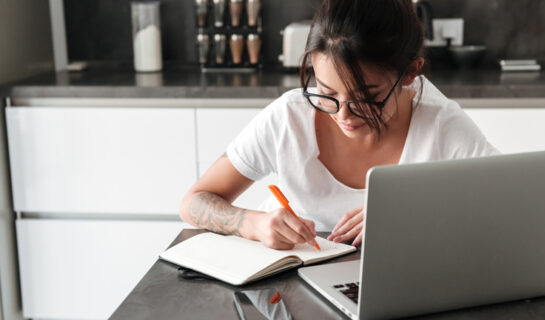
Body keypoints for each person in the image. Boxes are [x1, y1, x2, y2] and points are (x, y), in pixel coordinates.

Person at [179, 0, 499, 249]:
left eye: (366, 97)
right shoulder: (289, 118)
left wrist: (413, 212)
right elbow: (194, 202)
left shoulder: (441, 124)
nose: (344, 115)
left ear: (410, 73)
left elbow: (506, 211)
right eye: (327, 92)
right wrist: (254, 224)